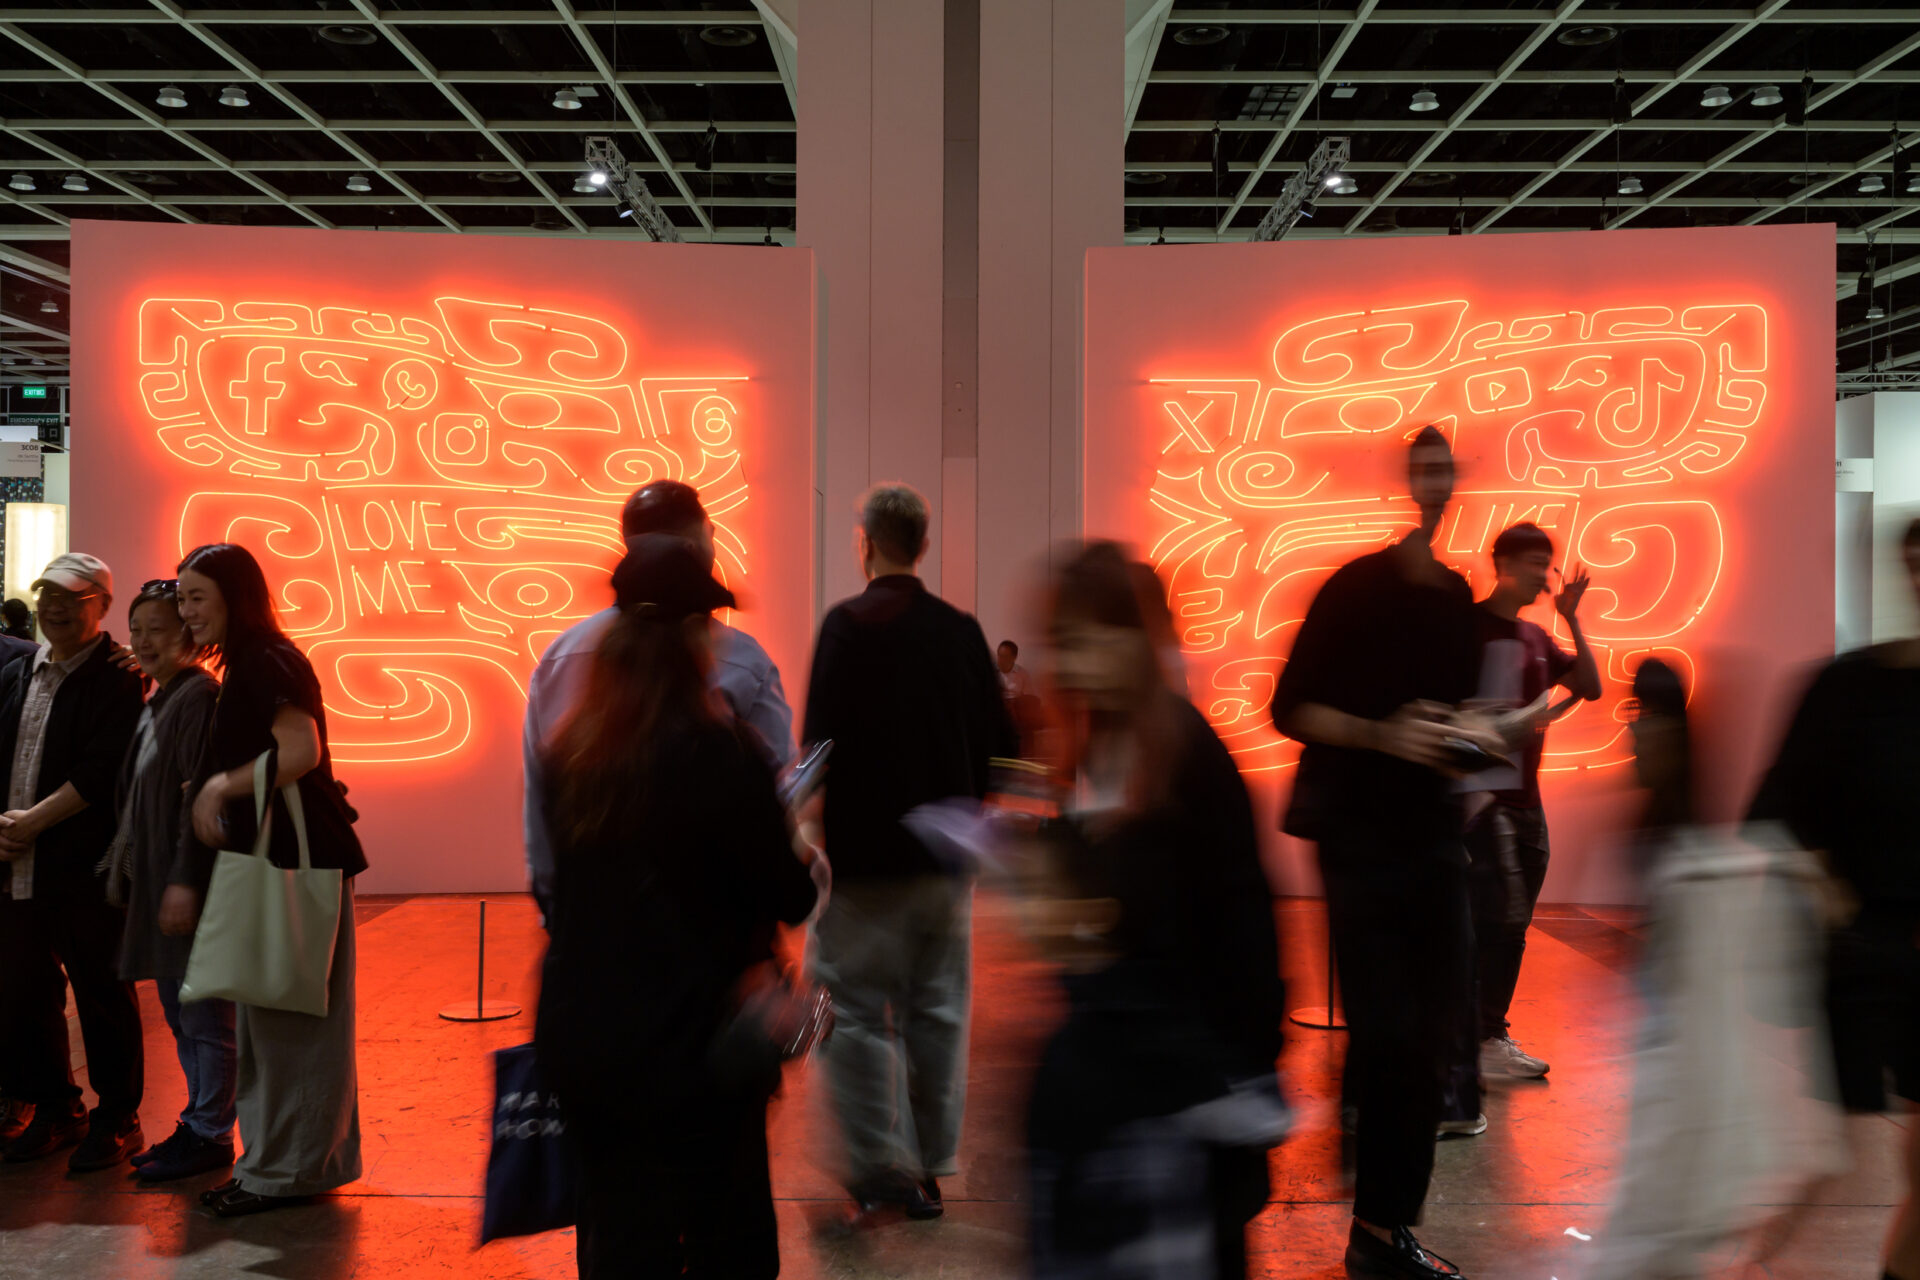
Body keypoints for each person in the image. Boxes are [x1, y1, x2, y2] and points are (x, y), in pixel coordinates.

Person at [536, 534, 819, 1280]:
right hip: (699, 1048)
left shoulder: (574, 755)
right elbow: (788, 895)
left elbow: (565, 889)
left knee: (623, 1244)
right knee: (728, 1245)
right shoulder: (721, 753)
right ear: (695, 635)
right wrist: (794, 834)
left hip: (590, 1040)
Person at [1269, 426, 1500, 1280]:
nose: (1437, 481)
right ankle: (1375, 1222)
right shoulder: (1354, 587)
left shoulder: (1456, 596)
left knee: (1433, 1036)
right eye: (1425, 467)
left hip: (1431, 834)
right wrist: (1382, 734)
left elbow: (1458, 713)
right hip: (1360, 837)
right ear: (1409, 479)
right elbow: (1289, 708)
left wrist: (1472, 737)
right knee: (1393, 1032)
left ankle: (1383, 1223)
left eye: (1447, 468)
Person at [1024, 543, 1287, 1279]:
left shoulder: (1187, 757)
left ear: (1138, 640)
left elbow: (1242, 942)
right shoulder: (1096, 753)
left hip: (1187, 1106)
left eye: (1092, 639)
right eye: (1063, 643)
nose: (1074, 662)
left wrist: (1244, 1082)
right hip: (1122, 1106)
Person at [802, 482, 1016, 1222]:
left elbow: (819, 744)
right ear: (923, 545)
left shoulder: (845, 626)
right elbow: (1000, 743)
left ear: (865, 543)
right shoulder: (959, 631)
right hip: (943, 868)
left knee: (854, 1013)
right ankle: (929, 1168)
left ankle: (874, 1165)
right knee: (937, 1015)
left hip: (865, 864)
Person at [1748, 516, 1920, 1280]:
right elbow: (1777, 804)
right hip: (1862, 947)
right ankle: (1752, 1262)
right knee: (1835, 1157)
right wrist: (1825, 890)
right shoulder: (1850, 686)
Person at [178, 542, 366, 1217]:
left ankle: (286, 1172)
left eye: (197, 596)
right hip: (285, 862)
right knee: (275, 1025)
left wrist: (217, 788)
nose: (186, 610)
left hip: (296, 863)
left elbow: (300, 751)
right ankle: (271, 1166)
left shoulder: (268, 660)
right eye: (182, 597)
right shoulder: (251, 661)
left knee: (295, 1030)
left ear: (235, 596)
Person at [524, 480, 795, 924]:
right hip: (709, 929)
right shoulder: (739, 685)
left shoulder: (562, 660)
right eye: (710, 532)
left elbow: (540, 810)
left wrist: (556, 911)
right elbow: (777, 807)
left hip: (591, 929)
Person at [0, 553, 146, 1170]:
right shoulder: (19, 669)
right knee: (25, 988)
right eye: (47, 595)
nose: (54, 607)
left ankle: (118, 1117)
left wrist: (30, 823)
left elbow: (102, 769)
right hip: (16, 865)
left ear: (102, 606)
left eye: (72, 598)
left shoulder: (120, 677)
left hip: (83, 867)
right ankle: (56, 1105)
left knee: (101, 991)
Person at [1461, 523, 1600, 1083]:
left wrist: (1572, 619)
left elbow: (1590, 686)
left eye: (1547, 564)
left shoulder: (1536, 637)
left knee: (1512, 924)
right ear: (1502, 564)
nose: (1543, 576)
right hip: (1480, 801)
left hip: (1525, 802)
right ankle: (1476, 1035)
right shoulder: (1466, 628)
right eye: (1534, 563)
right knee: (1488, 921)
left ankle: (1486, 1035)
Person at [103, 579, 233, 1182]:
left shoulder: (198, 697)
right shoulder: (162, 698)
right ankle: (198, 1122)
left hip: (188, 890)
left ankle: (210, 1132)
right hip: (161, 888)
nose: (143, 641)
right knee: (184, 1017)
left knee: (205, 1018)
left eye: (157, 628)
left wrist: (184, 881)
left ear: (190, 632)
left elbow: (195, 803)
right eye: (136, 630)